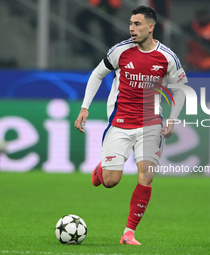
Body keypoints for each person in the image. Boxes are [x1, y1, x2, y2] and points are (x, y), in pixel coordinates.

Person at [74, 5, 187, 245]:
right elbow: (97, 74)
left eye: (137, 24)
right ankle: (101, 170)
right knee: (111, 181)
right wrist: (85, 107)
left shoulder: (167, 57)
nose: (131, 29)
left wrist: (173, 118)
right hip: (121, 122)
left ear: (150, 27)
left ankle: (128, 233)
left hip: (150, 125)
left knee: (146, 176)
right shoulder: (120, 51)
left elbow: (181, 89)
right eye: (130, 24)